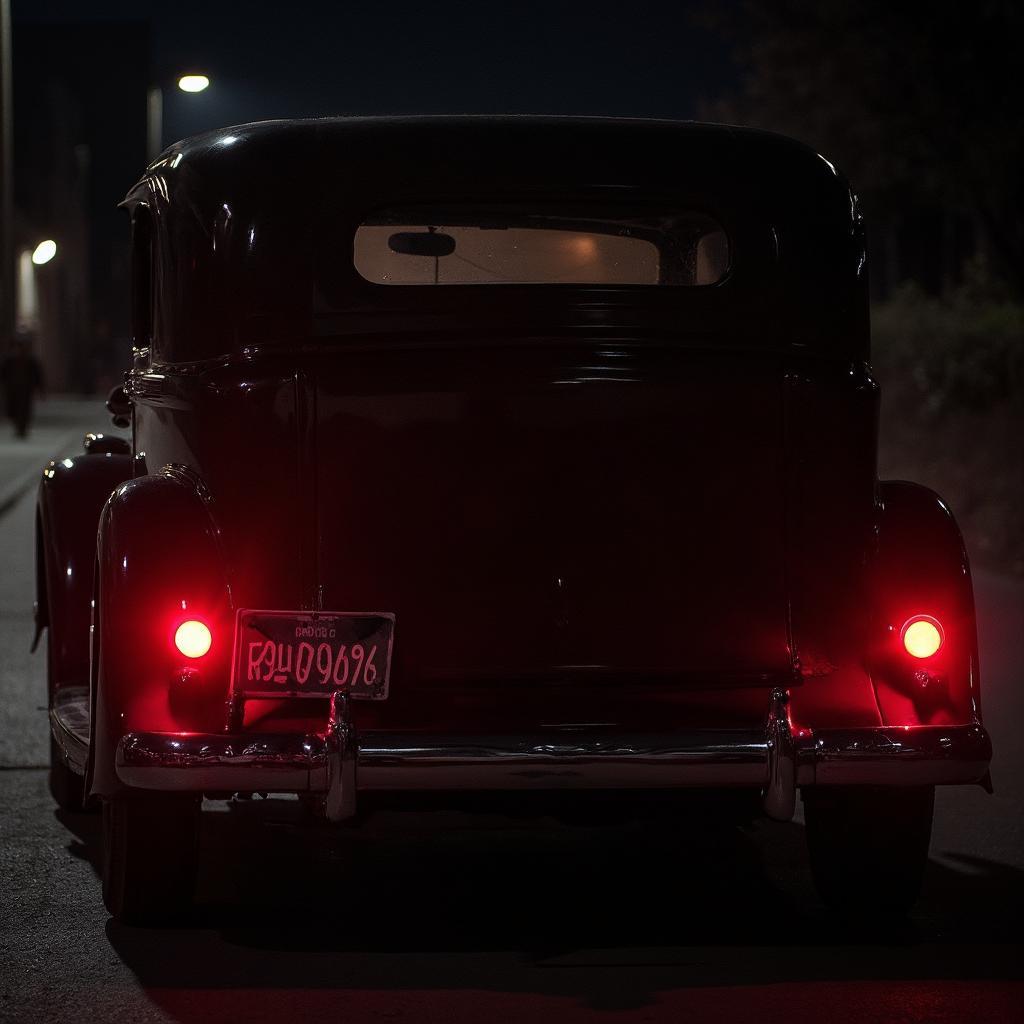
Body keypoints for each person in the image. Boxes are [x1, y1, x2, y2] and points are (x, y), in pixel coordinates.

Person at [0, 337, 45, 438]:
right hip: (13, 389)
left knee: (25, 409)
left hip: (26, 389)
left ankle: (22, 428)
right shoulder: (9, 360)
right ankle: (18, 426)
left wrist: (40, 389)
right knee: (13, 409)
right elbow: (3, 373)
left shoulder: (30, 360)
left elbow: (37, 375)